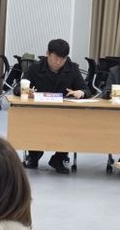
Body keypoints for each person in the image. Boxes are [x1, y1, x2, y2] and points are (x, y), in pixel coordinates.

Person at [14, 39, 90, 173]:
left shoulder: (72, 68)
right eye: (56, 58)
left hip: (64, 114)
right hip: (39, 113)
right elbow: (17, 88)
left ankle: (59, 159)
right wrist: (25, 91)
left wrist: (81, 92)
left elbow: (87, 90)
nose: (59, 62)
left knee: (71, 124)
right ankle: (33, 156)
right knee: (30, 121)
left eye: (63, 59)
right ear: (47, 54)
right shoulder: (36, 68)